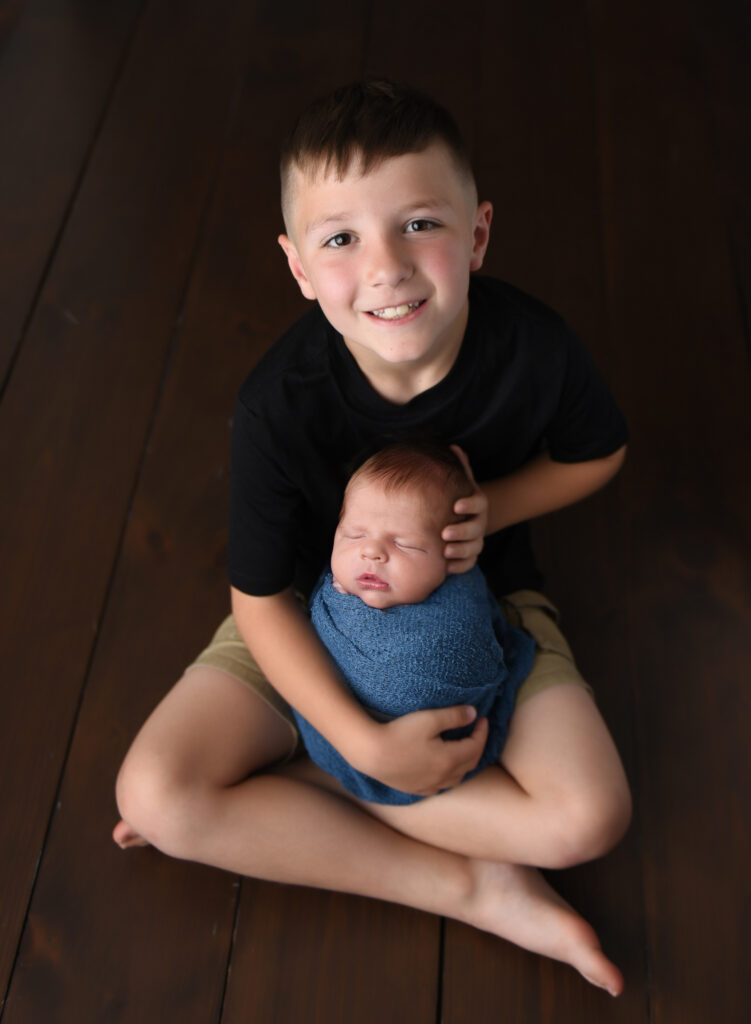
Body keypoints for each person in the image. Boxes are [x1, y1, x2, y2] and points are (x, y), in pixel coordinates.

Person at [113, 79, 632, 996]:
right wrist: (359, 742)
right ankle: (465, 883)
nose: (386, 266)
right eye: (341, 239)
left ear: (475, 234)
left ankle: (289, 800)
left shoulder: (533, 347)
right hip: (320, 616)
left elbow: (598, 454)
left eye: (419, 224)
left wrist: (493, 513)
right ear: (299, 268)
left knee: (587, 819)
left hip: (490, 608)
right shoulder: (277, 403)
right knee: (152, 793)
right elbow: (260, 598)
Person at [294, 441, 537, 805]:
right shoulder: (332, 596)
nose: (371, 551)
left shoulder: (456, 620)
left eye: (404, 544)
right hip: (346, 738)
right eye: (354, 534)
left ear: (451, 556)